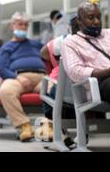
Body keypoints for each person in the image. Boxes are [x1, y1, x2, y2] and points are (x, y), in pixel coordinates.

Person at [62, 2, 110, 152]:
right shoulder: (71, 42)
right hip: (98, 83)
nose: (97, 21)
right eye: (91, 18)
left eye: (99, 17)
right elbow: (75, 71)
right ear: (79, 21)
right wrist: (108, 71)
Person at [0, 12, 46, 142]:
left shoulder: (37, 44)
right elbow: (3, 70)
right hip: (18, 78)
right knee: (5, 91)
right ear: (12, 26)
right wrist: (18, 77)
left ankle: (50, 126)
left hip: (41, 77)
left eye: (26, 25)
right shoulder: (6, 48)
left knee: (57, 88)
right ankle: (24, 126)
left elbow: (49, 60)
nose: (23, 27)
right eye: (20, 24)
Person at [36, 15, 79, 143]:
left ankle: (57, 128)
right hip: (87, 86)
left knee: (49, 90)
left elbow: (44, 52)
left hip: (64, 85)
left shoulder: (63, 40)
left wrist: (54, 64)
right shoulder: (97, 41)